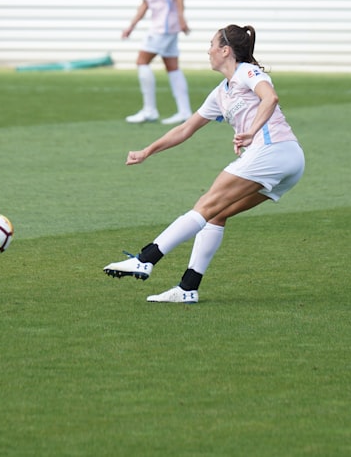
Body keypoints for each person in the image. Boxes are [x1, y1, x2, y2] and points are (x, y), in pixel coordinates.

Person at [104, 24, 305, 304]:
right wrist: (147, 151)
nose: (208, 50)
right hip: (287, 161)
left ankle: (145, 259)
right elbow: (186, 129)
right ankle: (188, 288)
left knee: (205, 205)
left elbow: (270, 98)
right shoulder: (220, 93)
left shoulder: (247, 72)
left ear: (225, 50)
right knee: (215, 215)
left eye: (212, 44)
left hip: (273, 151)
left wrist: (251, 131)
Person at [122, 0, 191, 125]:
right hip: (164, 24)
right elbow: (146, 2)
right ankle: (184, 111)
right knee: (172, 66)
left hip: (165, 25)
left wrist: (181, 17)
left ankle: (149, 110)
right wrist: (131, 25)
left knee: (142, 61)